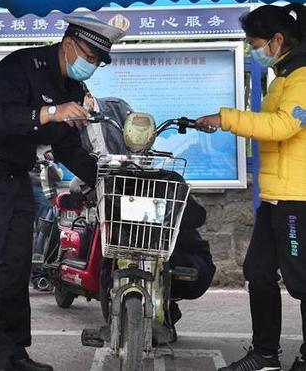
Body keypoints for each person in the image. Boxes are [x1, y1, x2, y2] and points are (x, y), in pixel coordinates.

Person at [0, 17, 125, 371]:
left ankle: (15, 353)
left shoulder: (72, 89)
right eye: (89, 55)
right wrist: (49, 112)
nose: (90, 64)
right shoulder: (21, 66)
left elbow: (67, 147)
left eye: (97, 61)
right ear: (68, 44)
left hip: (16, 173)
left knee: (16, 266)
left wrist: (108, 180)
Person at [196, 3, 306, 371]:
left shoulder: (303, 77)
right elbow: (270, 122)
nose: (253, 50)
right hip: (275, 199)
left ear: (278, 39)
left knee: (302, 282)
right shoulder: (283, 77)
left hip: (298, 199)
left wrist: (226, 118)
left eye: (255, 43)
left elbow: (282, 126)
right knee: (257, 272)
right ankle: (265, 355)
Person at [69, 92, 216, 341]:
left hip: (163, 260)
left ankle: (165, 308)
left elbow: (195, 217)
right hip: (139, 257)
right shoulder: (163, 182)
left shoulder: (123, 184)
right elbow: (197, 217)